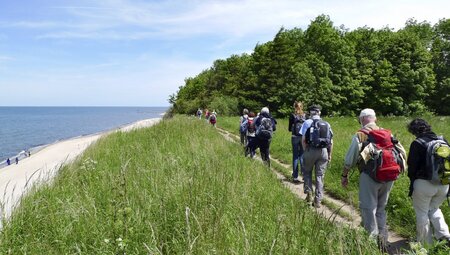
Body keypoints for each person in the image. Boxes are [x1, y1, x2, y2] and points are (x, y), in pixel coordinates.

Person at [341, 108, 406, 251]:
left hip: (369, 176)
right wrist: (399, 171)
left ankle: (371, 243)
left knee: (368, 208)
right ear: (375, 119)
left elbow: (349, 159)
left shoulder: (361, 135)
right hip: (389, 176)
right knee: (381, 208)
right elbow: (402, 152)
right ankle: (383, 240)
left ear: (362, 119)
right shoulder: (388, 133)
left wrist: (344, 175)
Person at [406, 118, 450, 246]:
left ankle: (425, 244)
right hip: (444, 183)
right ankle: (444, 236)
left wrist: (413, 181)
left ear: (414, 131)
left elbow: (412, 167)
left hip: (424, 184)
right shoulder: (442, 140)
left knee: (422, 213)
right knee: (434, 208)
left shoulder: (417, 143)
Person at [300, 105, 333, 208]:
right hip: (323, 151)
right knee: (320, 176)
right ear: (319, 114)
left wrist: (306, 151)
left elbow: (303, 139)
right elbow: (331, 141)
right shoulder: (326, 124)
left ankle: (309, 194)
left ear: (311, 114)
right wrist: (329, 154)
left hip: (310, 150)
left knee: (307, 172)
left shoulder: (307, 122)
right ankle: (318, 200)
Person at [288, 101, 306, 183]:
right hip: (303, 137)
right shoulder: (305, 115)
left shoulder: (292, 115)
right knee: (302, 156)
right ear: (302, 107)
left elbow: (289, 129)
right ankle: (304, 176)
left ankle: (295, 176)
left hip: (295, 136)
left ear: (294, 107)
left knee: (295, 156)